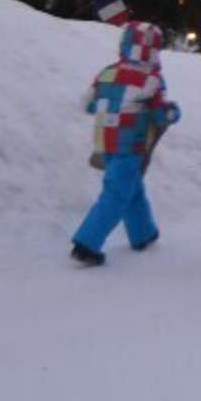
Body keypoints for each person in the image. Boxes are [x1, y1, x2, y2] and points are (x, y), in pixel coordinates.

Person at [71, 21, 180, 265]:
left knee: (131, 187)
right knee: (117, 193)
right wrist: (173, 113)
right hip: (130, 144)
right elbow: (160, 114)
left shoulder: (107, 72)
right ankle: (86, 243)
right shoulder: (150, 79)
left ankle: (143, 233)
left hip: (105, 142)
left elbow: (88, 105)